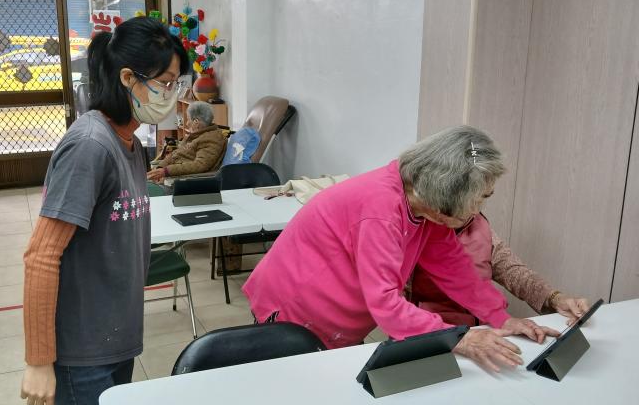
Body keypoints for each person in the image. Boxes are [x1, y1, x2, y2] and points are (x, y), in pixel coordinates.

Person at [19, 17, 189, 405]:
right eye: (164, 83)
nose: (172, 93)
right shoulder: (90, 145)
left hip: (116, 338)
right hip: (81, 352)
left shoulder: (130, 142)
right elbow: (41, 256)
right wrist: (38, 360)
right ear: (127, 79)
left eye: (176, 82)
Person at [243, 125, 560, 372]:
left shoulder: (423, 204)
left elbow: (456, 270)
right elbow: (386, 303)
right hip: (297, 310)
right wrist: (458, 337)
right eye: (482, 198)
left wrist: (500, 317)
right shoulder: (381, 211)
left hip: (339, 315)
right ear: (442, 201)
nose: (478, 210)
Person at [410, 213, 590, 326]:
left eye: (483, 196)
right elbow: (392, 298)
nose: (475, 208)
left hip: (484, 329)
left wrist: (555, 298)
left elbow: (513, 271)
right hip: (431, 336)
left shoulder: (477, 223)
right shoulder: (416, 229)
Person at [146, 100, 226, 182]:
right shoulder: (198, 135)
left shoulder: (212, 138)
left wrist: (166, 171)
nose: (187, 123)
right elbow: (175, 154)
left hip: (182, 181)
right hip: (171, 176)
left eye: (188, 119)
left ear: (196, 122)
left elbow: (200, 165)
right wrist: (160, 167)